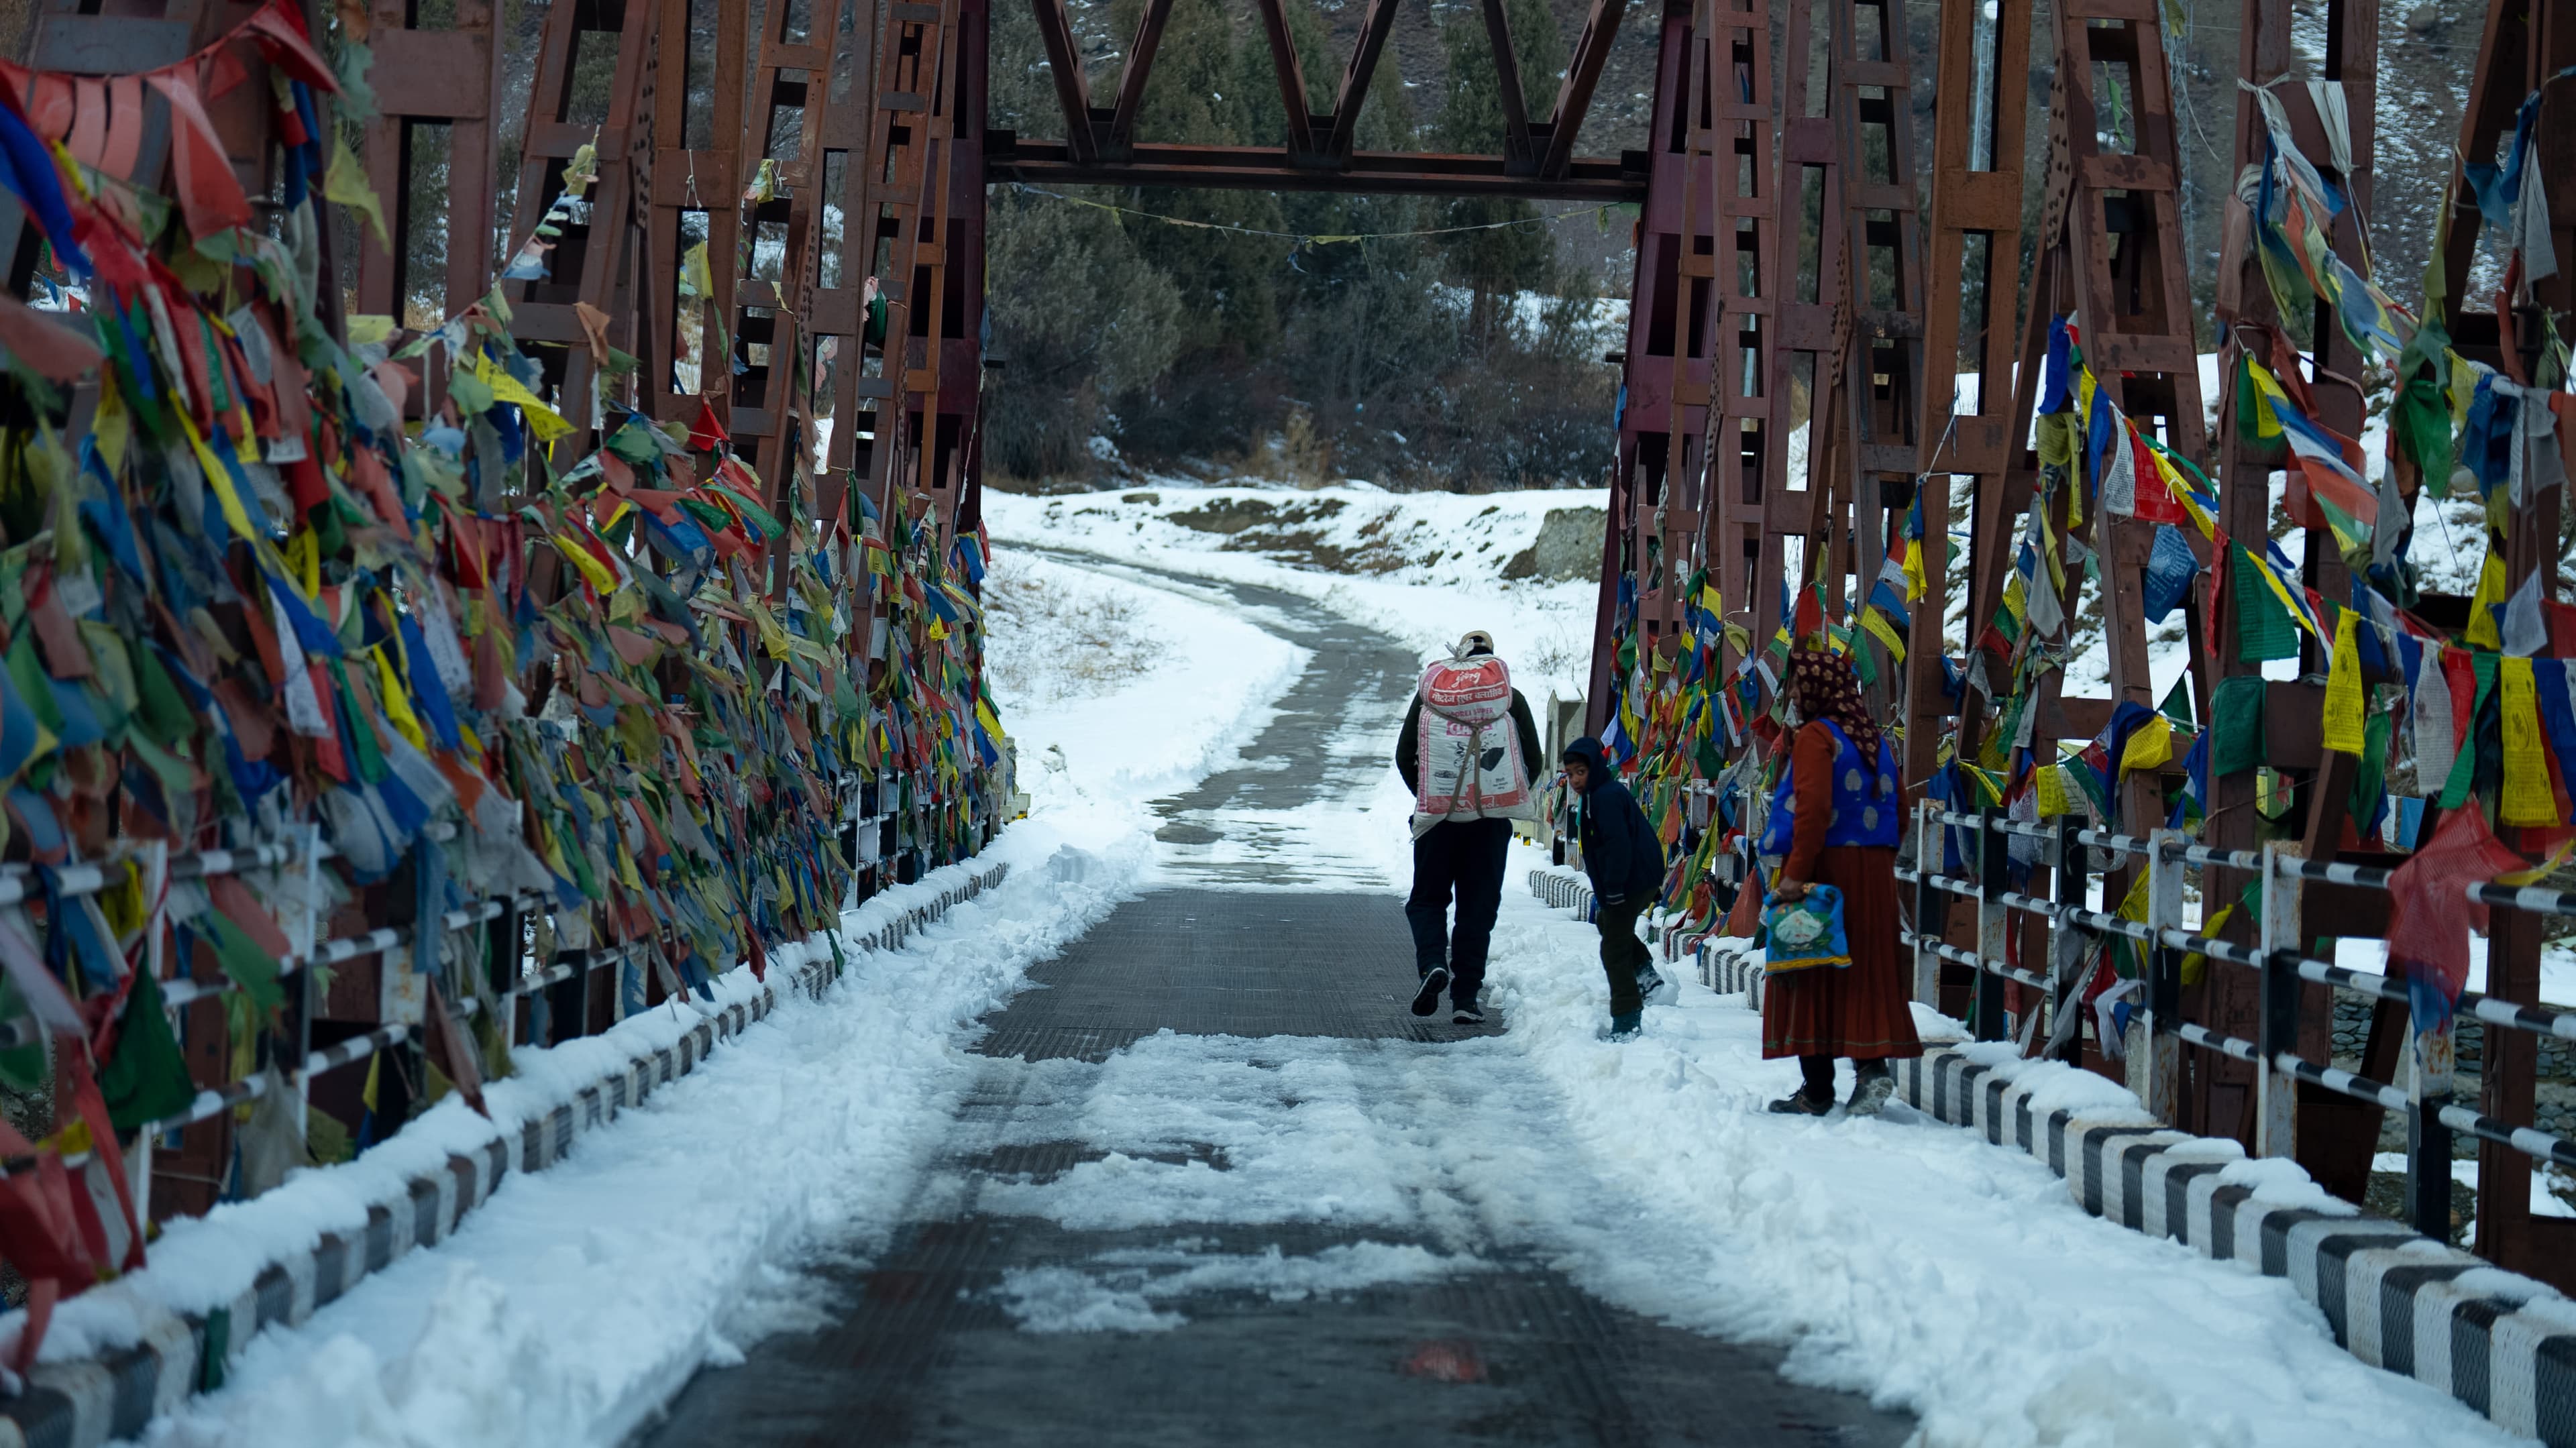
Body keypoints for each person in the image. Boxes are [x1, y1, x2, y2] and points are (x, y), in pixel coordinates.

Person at [1758, 647, 1923, 1115]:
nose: (1792, 694)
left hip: (1827, 868)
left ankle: (1817, 1091)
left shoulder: (1815, 737)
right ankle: (1872, 1072)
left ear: (1816, 688)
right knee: (1863, 972)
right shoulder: (1873, 738)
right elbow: (1903, 811)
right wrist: (1876, 856)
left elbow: (1811, 811)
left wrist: (1794, 876)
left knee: (1808, 969)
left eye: (1796, 686)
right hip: (1875, 873)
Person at [1396, 630, 1542, 1023]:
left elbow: (1404, 754)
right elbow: (1534, 760)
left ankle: (1432, 966)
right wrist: (1501, 798)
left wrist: (1431, 797)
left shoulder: (1430, 698)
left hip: (1438, 823)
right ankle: (1466, 999)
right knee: (1477, 909)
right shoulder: (1509, 698)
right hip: (1489, 826)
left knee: (1427, 900)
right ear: (1492, 658)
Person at [1560, 736, 1666, 1040]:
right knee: (1608, 923)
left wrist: (1616, 888)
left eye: (1581, 771)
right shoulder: (1597, 794)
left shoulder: (1604, 797)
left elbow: (1617, 846)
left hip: (1632, 879)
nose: (1576, 780)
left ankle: (1627, 1021)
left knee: (1614, 950)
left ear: (1595, 768)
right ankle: (1646, 975)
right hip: (1634, 877)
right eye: (1570, 774)